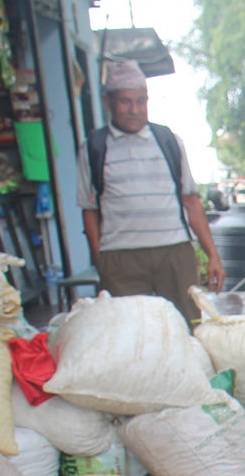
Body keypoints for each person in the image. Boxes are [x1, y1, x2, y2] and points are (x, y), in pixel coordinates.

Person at [76, 59, 224, 322]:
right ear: (108, 102)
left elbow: (191, 202)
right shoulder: (94, 149)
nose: (135, 110)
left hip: (174, 253)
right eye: (125, 101)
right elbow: (90, 211)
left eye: (141, 101)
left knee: (189, 325)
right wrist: (101, 257)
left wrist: (212, 254)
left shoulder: (169, 141)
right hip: (121, 259)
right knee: (128, 334)